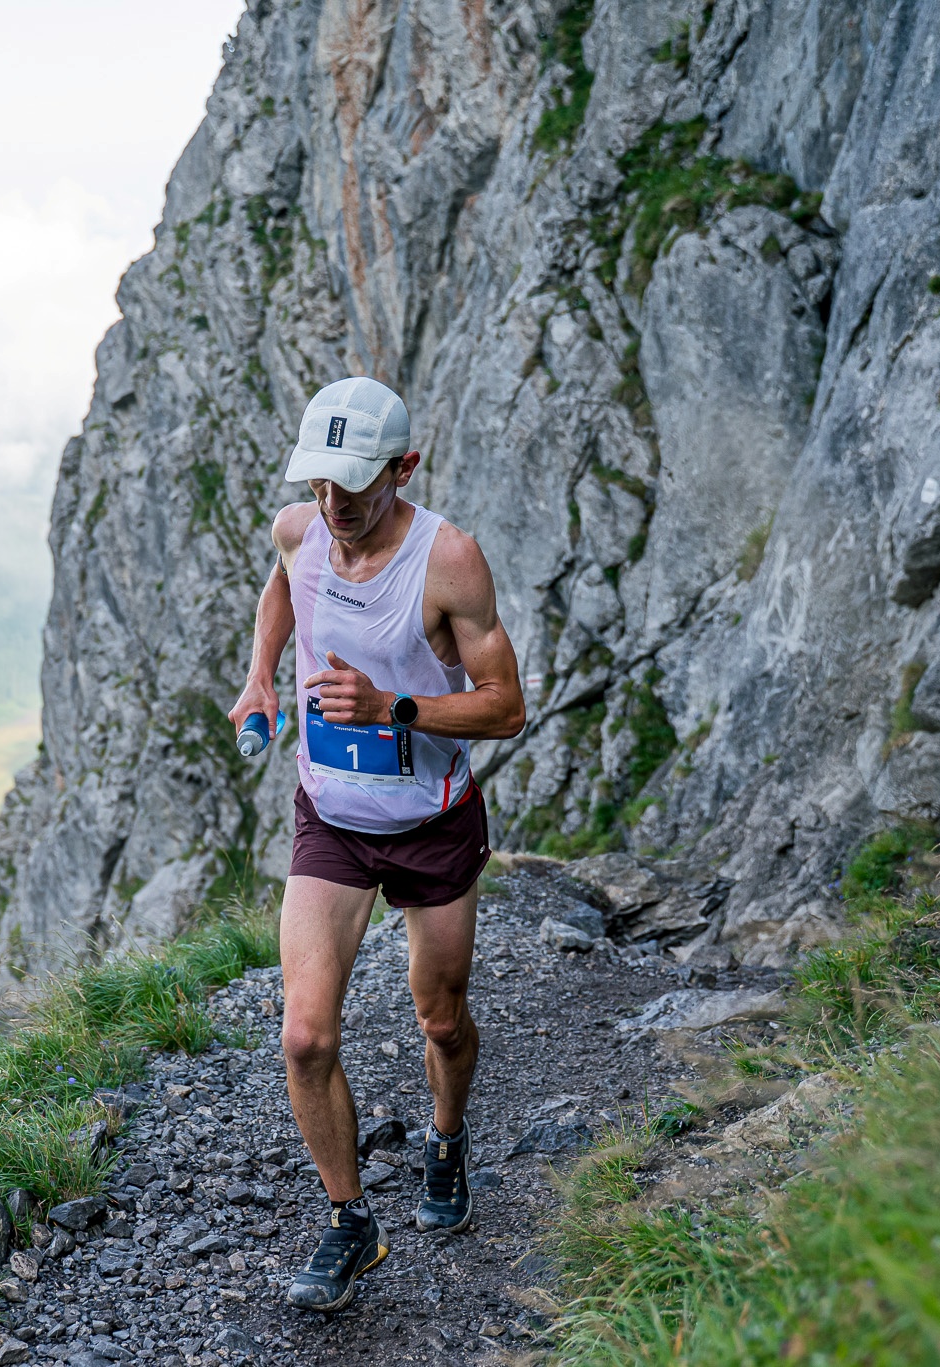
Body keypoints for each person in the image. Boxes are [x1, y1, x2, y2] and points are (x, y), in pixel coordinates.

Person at [228, 376, 526, 1312]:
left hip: (431, 824)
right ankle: (351, 1221)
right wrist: (262, 675)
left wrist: (396, 706)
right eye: (319, 486)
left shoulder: (450, 562)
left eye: (353, 488)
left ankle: (445, 1139)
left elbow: (506, 707)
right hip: (331, 821)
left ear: (405, 467)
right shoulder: (302, 528)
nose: (334, 507)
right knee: (305, 1033)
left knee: (441, 1017)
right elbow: (285, 578)